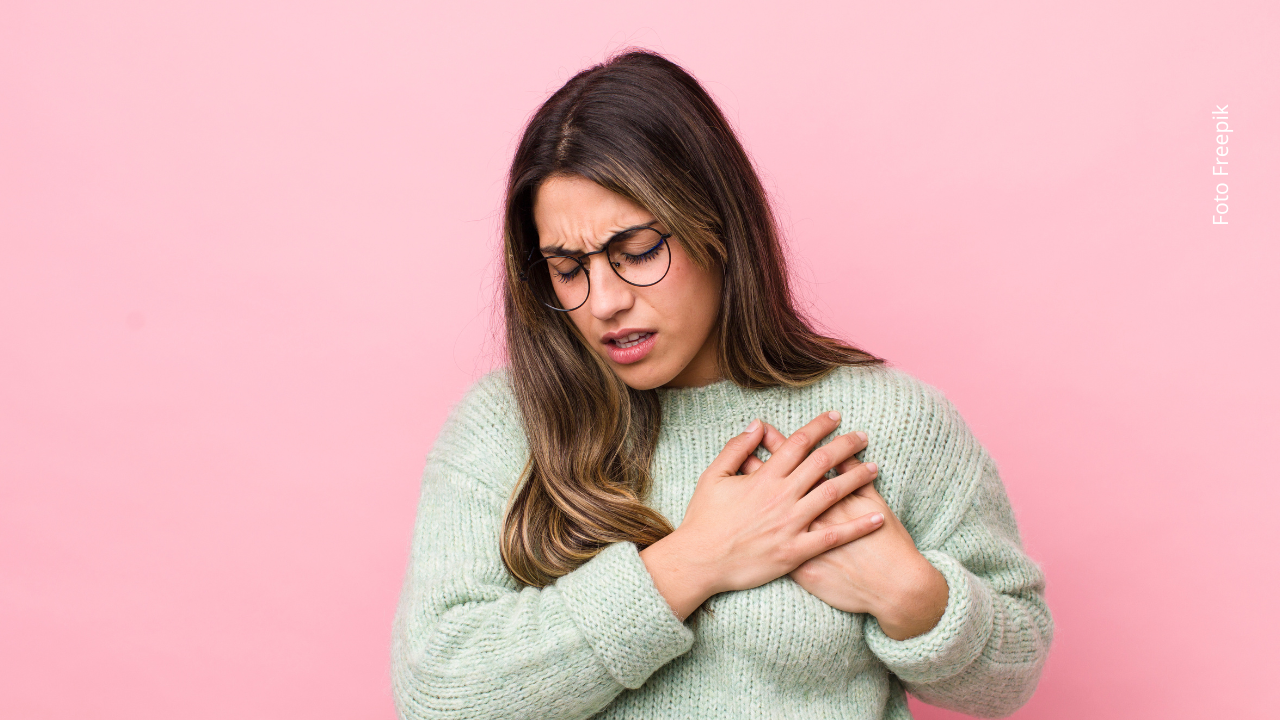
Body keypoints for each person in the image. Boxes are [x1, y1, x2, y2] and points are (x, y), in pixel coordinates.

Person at [391, 49, 1052, 719]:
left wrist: (912, 595)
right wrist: (693, 563)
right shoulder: (505, 425)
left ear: (718, 226)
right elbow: (436, 697)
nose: (604, 302)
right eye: (569, 268)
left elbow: (1011, 675)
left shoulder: (889, 420)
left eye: (637, 252)